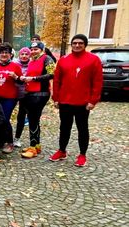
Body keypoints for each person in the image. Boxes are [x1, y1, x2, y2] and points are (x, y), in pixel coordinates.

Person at [50, 34, 102, 167]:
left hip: (83, 103)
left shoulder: (93, 60)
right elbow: (57, 80)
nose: (77, 45)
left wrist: (93, 100)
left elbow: (97, 82)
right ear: (71, 44)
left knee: (82, 128)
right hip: (65, 101)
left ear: (85, 45)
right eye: (75, 43)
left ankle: (82, 154)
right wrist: (56, 98)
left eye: (80, 43)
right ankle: (62, 151)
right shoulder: (63, 60)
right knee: (64, 128)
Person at [20, 41, 55, 158]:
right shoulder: (32, 60)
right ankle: (36, 145)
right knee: (33, 119)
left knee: (33, 119)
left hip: (41, 93)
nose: (34, 51)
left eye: (36, 49)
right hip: (31, 93)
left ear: (41, 49)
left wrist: (33, 78)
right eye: (32, 49)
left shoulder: (47, 58)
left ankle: (33, 148)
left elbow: (52, 74)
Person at [0, 43, 22, 154]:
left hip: (10, 98)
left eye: (6, 53)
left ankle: (9, 142)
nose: (4, 54)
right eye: (2, 52)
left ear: (10, 54)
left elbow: (21, 81)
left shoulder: (15, 66)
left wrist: (16, 77)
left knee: (4, 119)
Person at [13, 47, 31, 148]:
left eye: (26, 54)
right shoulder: (15, 64)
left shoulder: (32, 64)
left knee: (21, 116)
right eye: (22, 54)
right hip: (13, 93)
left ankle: (17, 138)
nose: (24, 56)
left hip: (25, 94)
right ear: (19, 55)